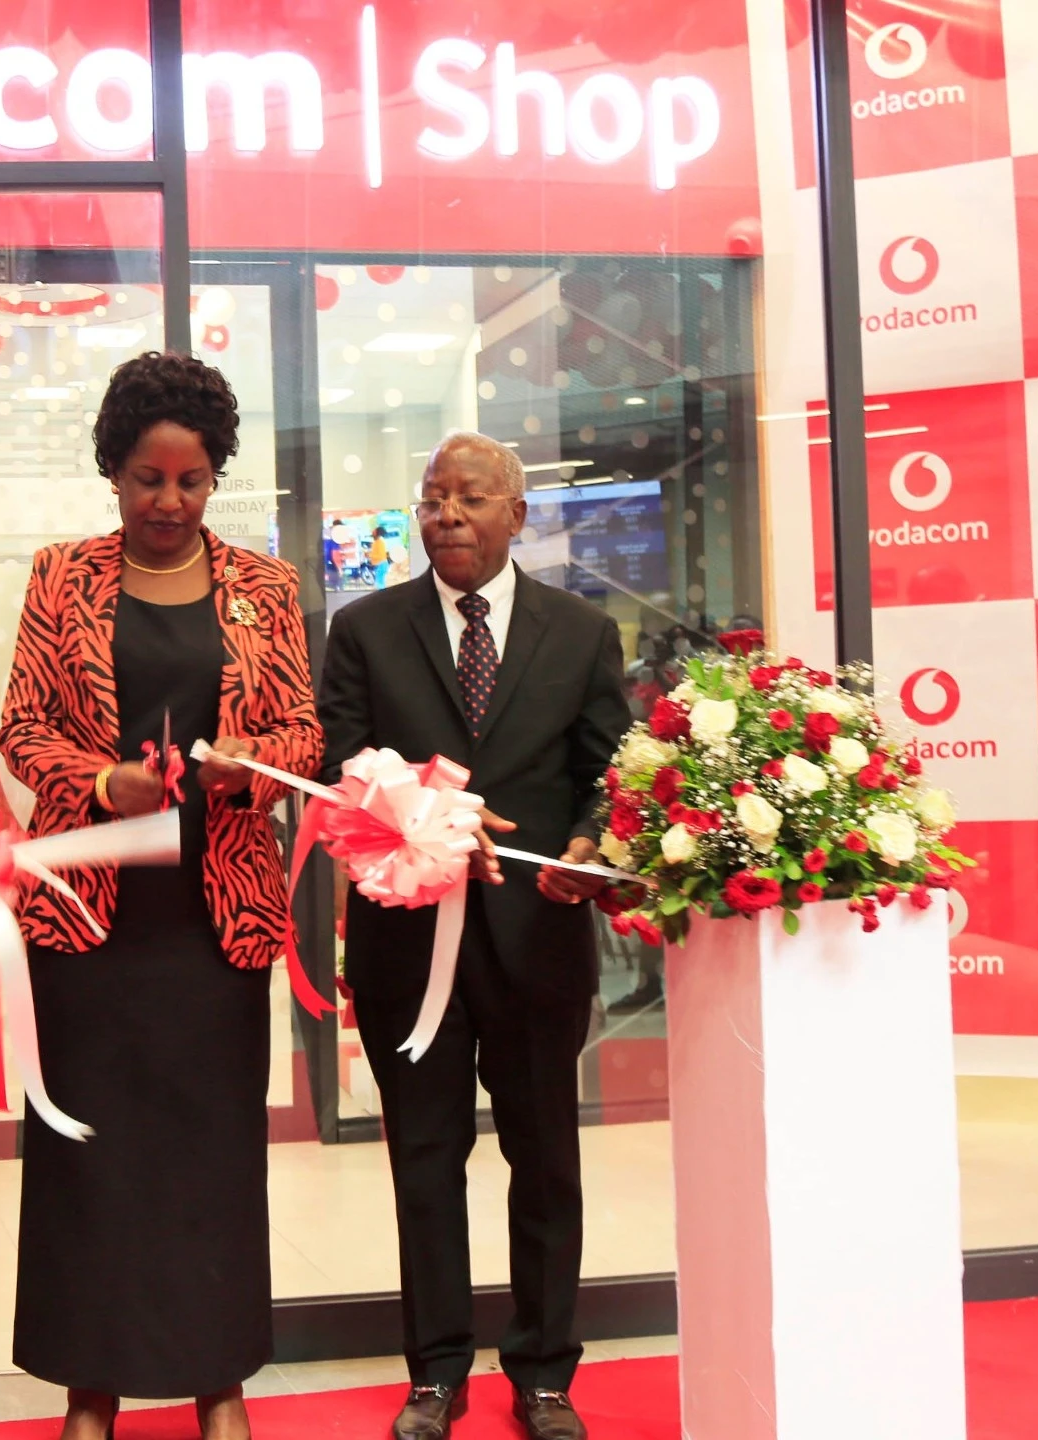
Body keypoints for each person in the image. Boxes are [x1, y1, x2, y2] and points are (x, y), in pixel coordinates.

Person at [0, 352, 323, 1440]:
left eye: (189, 481)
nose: (168, 503)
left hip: (213, 918)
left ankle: (215, 1382)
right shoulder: (60, 577)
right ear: (112, 471)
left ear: (214, 477)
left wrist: (246, 766)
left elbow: (303, 737)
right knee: (89, 1158)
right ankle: (90, 1390)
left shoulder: (267, 589)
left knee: (210, 1158)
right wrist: (100, 781)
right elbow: (24, 731)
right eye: (146, 479)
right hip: (89, 919)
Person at [317, 433, 633, 1440]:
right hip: (407, 943)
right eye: (431, 497)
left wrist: (587, 839)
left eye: (469, 497)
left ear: (516, 516)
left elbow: (607, 772)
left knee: (543, 1163)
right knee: (424, 1156)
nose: (445, 513)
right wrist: (431, 818)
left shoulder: (581, 633)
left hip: (536, 937)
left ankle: (543, 1374)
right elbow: (342, 765)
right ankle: (435, 1371)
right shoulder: (365, 630)